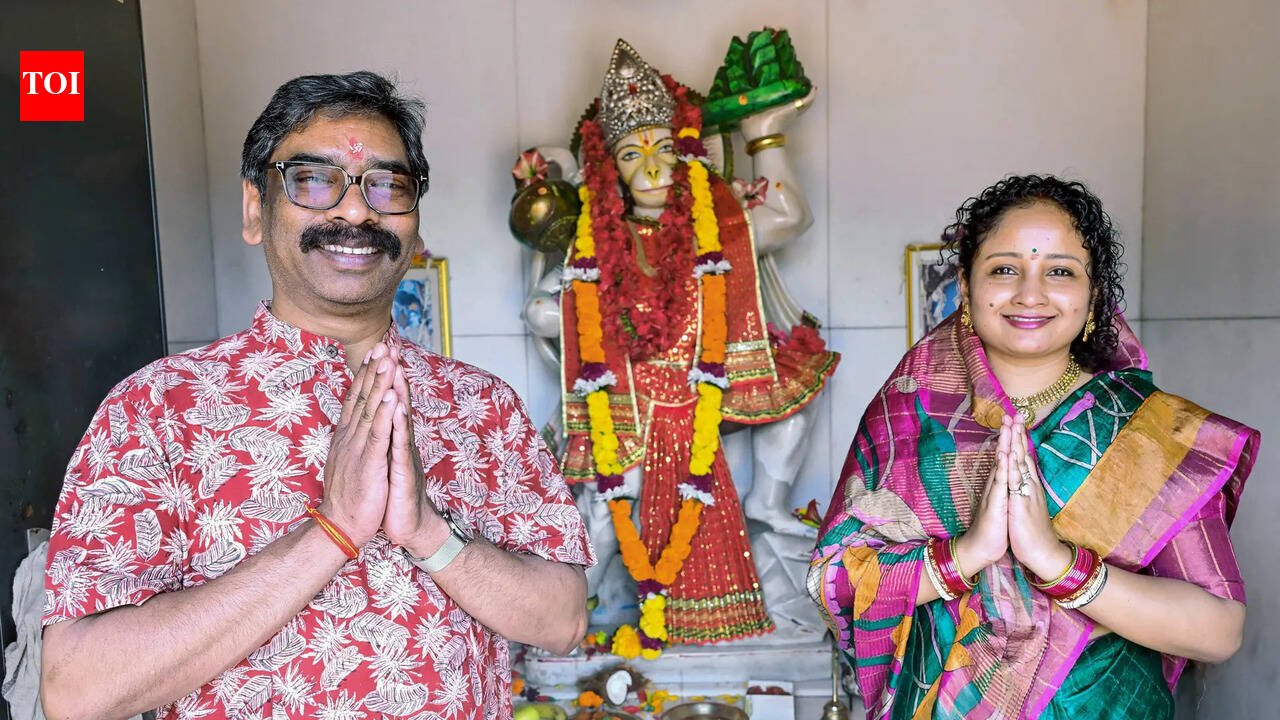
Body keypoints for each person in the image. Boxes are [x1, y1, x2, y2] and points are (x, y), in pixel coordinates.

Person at [39, 71, 593, 720]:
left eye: (387, 185)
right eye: (313, 180)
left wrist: (429, 534)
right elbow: (77, 690)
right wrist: (331, 531)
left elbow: (563, 620)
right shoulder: (157, 410)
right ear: (255, 209)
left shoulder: (482, 406)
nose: (356, 211)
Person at [809, 175, 1258, 719]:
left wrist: (1057, 562)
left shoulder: (1147, 432)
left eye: (1060, 271)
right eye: (1004, 269)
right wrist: (966, 554)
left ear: (1095, 295)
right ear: (966, 287)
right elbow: (834, 582)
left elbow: (1218, 631)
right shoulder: (908, 417)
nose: (1030, 293)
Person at [551, 40, 838, 653]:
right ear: (610, 171)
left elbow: (790, 217)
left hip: (710, 387)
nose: (653, 169)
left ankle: (769, 505)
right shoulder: (594, 244)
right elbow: (550, 308)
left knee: (794, 403)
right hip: (629, 401)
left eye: (664, 149)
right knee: (607, 507)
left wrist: (765, 136)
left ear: (686, 152)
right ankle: (567, 624)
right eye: (632, 155)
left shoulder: (719, 223)